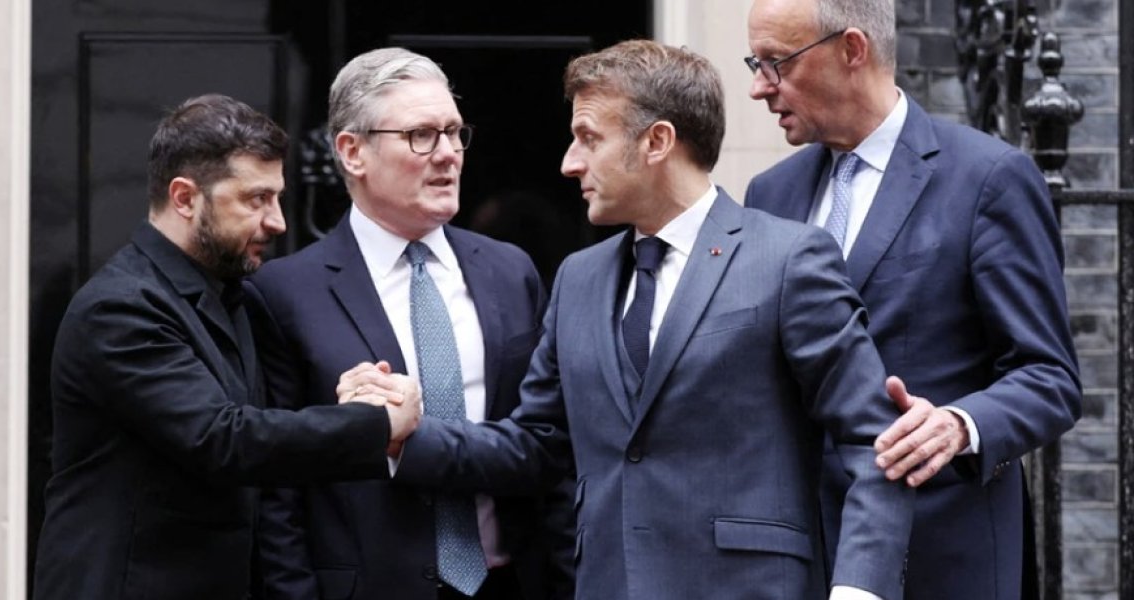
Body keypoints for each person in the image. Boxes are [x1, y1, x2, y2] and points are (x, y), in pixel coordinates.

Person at [375, 39, 914, 600]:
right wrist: (403, 436)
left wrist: (859, 590)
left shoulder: (787, 259)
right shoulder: (578, 279)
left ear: (657, 142)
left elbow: (874, 441)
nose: (569, 163)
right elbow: (536, 444)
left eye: (589, 138)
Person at [742, 1, 1083, 598]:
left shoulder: (987, 178)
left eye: (777, 63)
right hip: (800, 559)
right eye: (756, 64)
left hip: (939, 554)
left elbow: (1049, 377)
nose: (759, 87)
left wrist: (959, 424)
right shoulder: (770, 194)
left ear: (852, 49)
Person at [31, 94, 421, 600]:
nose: (278, 221)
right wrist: (375, 424)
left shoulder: (232, 295)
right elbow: (223, 440)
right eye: (256, 199)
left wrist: (349, 398)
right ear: (185, 198)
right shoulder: (120, 308)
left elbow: (257, 427)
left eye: (277, 198)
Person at [243, 48, 572, 600]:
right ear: (352, 151)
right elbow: (277, 491)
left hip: (512, 581)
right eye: (421, 135)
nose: (447, 154)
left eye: (454, 133)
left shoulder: (510, 272)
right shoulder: (284, 293)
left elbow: (552, 450)